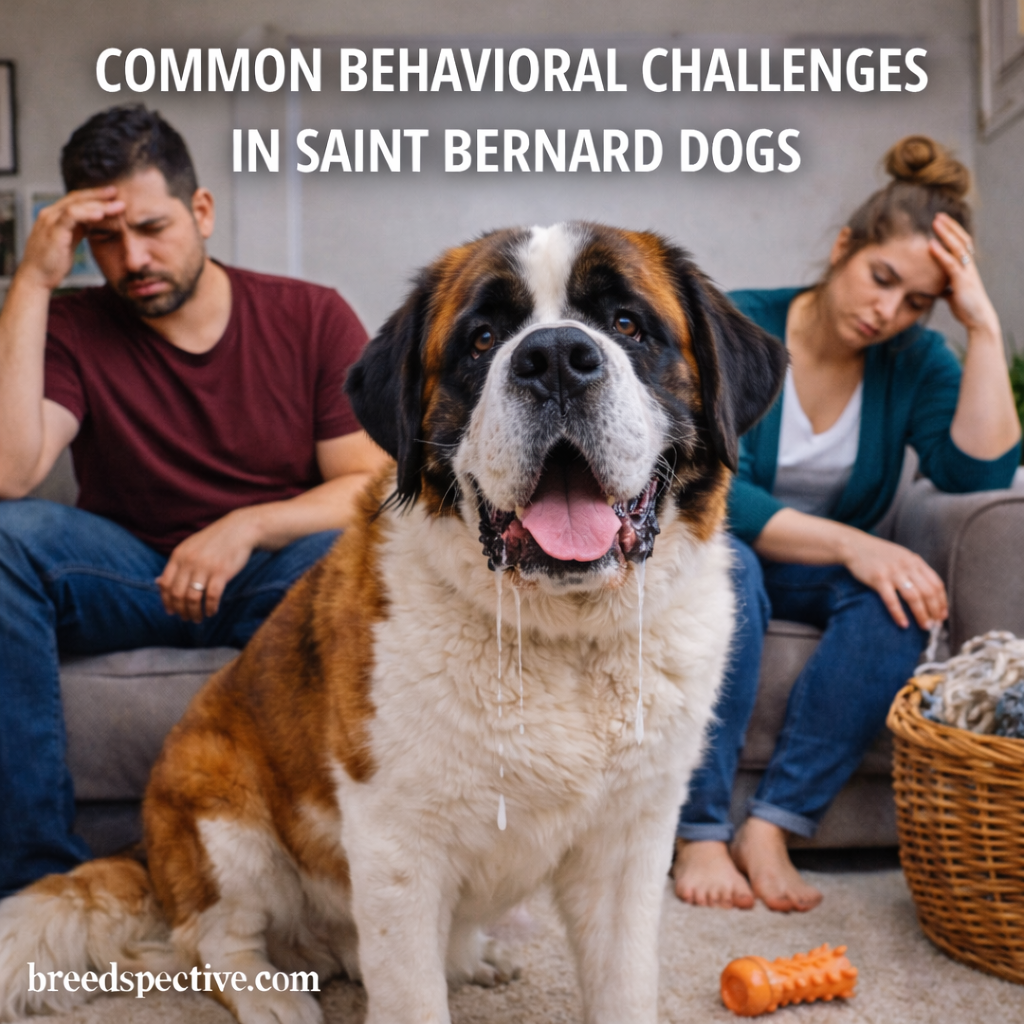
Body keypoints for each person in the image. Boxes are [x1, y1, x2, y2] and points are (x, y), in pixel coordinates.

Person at [0, 105, 389, 899]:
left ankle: (326, 872)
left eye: (152, 228)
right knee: (4, 539)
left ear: (201, 210)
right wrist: (32, 280)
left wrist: (245, 526)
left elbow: (368, 483)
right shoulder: (71, 323)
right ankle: (39, 880)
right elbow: (12, 472)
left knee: (349, 562)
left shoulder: (310, 314)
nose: (133, 258)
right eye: (105, 240)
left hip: (269, 571)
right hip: (130, 574)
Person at [672, 136, 1022, 913]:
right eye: (882, 279)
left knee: (901, 601)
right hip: (724, 552)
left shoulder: (916, 360)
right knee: (731, 571)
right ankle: (700, 828)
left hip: (818, 573)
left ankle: (772, 824)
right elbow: (711, 483)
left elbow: (979, 478)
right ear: (843, 249)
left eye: (917, 302)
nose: (887, 312)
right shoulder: (739, 327)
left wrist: (984, 328)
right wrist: (855, 544)